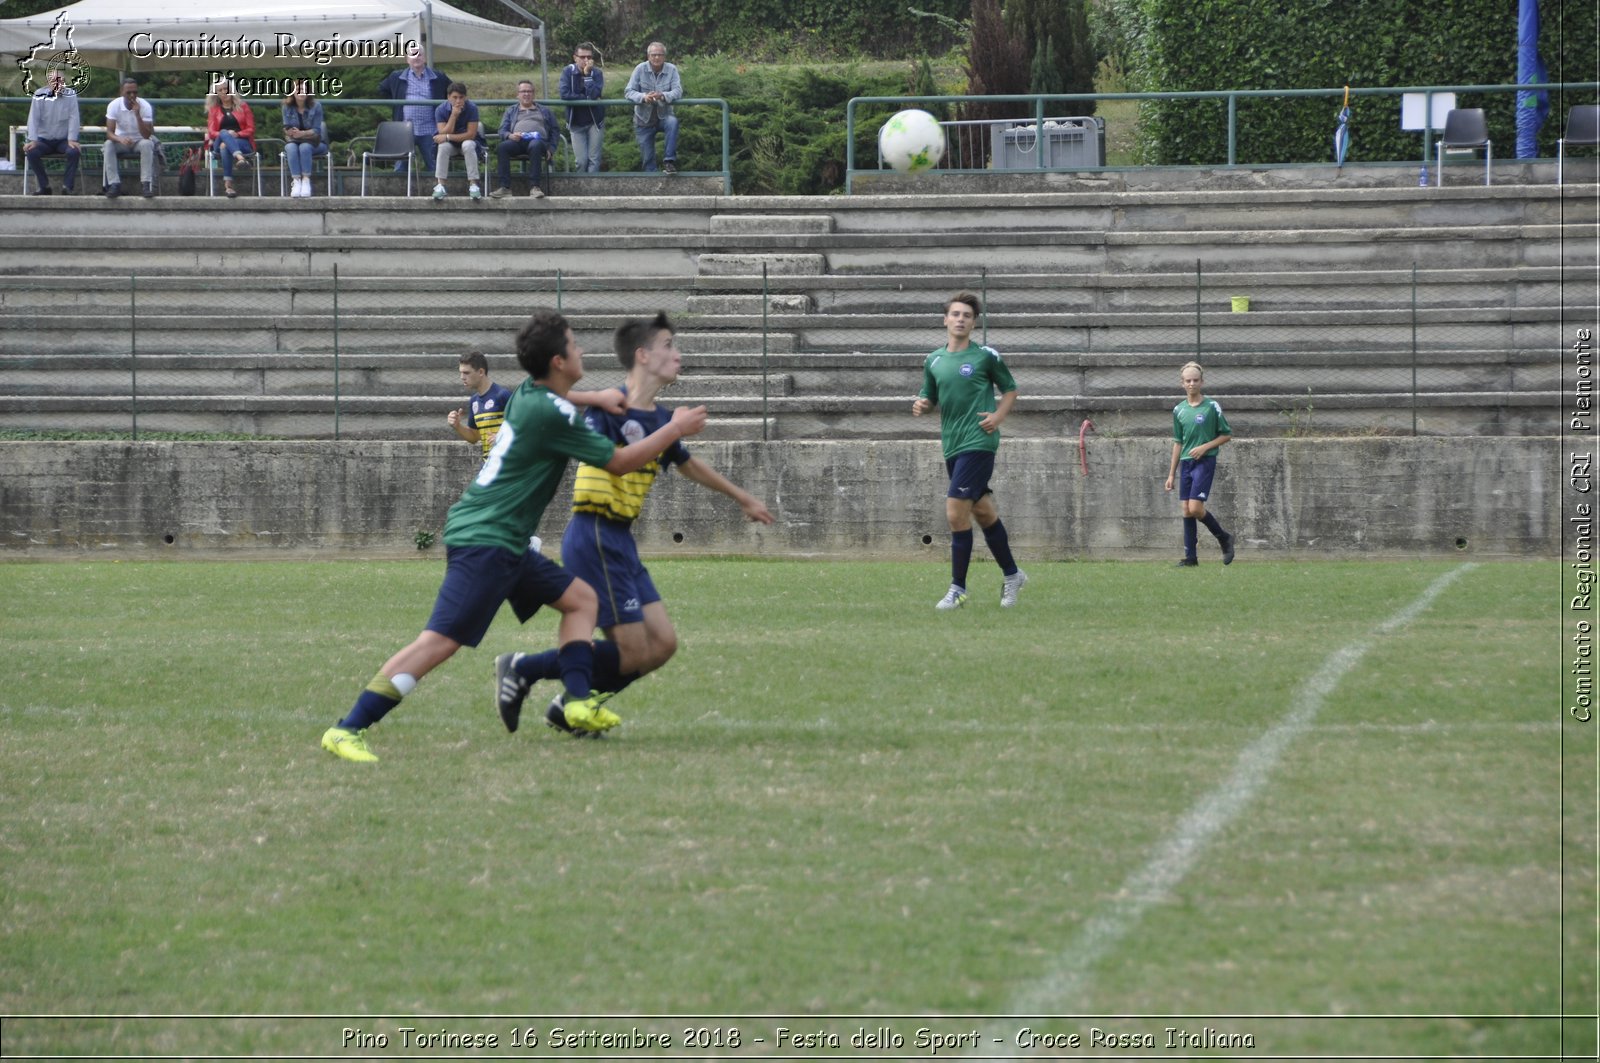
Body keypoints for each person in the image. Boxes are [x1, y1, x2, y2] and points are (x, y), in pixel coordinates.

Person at [321, 309, 707, 763]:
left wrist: (597, 397)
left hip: (506, 540)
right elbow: (621, 463)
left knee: (582, 600)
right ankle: (347, 728)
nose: (582, 349)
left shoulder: (528, 393)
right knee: (439, 642)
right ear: (560, 361)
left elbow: (561, 401)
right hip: (486, 539)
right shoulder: (555, 415)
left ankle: (578, 700)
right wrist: (674, 429)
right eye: (575, 344)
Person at [495, 312, 773, 738]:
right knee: (631, 650)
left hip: (620, 539)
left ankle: (565, 701)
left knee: (661, 646)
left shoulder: (660, 420)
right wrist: (672, 430)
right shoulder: (610, 407)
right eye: (668, 346)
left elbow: (686, 463)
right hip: (594, 535)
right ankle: (527, 669)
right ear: (642, 356)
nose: (677, 356)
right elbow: (615, 463)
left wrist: (742, 497)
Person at [911, 292, 1027, 610]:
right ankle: (1013, 575)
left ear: (974, 323)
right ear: (945, 320)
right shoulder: (933, 360)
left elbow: (1011, 389)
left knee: (954, 510)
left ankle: (958, 589)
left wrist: (998, 416)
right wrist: (922, 403)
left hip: (979, 441)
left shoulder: (985, 356)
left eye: (967, 315)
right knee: (983, 512)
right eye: (956, 314)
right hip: (952, 444)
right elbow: (929, 394)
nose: (961, 319)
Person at [1164, 361, 1237, 567]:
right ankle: (1190, 558)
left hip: (1205, 461)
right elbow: (1178, 442)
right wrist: (1171, 474)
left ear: (1202, 381)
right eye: (1188, 380)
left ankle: (1224, 537)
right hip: (1186, 464)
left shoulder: (1211, 406)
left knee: (1196, 508)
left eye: (1195, 380)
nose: (1192, 384)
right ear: (1182, 383)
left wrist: (1205, 447)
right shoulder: (1178, 410)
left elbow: (1226, 434)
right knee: (1186, 509)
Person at [377, 43, 451, 173]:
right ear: (407, 59)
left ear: (425, 58)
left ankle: (439, 191)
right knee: (400, 167)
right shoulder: (396, 76)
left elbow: (452, 92)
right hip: (404, 129)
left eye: (419, 54)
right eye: (412, 54)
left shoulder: (438, 77)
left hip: (431, 129)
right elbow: (382, 89)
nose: (416, 57)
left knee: (435, 166)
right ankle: (399, 192)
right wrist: (396, 101)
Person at [490, 80, 557, 199]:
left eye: (529, 91)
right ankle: (504, 187)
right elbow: (502, 130)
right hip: (517, 141)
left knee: (535, 145)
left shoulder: (544, 110)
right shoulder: (511, 110)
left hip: (538, 142)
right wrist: (510, 135)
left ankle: (535, 187)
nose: (526, 94)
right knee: (502, 147)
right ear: (518, 94)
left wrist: (551, 149)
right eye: (523, 91)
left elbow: (555, 131)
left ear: (534, 94)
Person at [624, 41, 682, 173]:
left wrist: (662, 95)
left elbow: (678, 91)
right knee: (648, 160)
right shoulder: (640, 69)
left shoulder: (672, 69)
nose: (657, 57)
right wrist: (643, 97)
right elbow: (628, 91)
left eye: (660, 55)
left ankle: (669, 161)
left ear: (664, 56)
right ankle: (653, 187)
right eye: (654, 54)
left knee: (672, 122)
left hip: (664, 115)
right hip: (643, 119)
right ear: (648, 56)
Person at [24, 68, 81, 196]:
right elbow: (33, 118)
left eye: (60, 81)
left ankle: (68, 187)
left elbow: (74, 117)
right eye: (54, 81)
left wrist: (72, 139)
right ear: (48, 82)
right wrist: (32, 140)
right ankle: (44, 187)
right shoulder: (39, 95)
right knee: (31, 152)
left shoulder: (71, 94)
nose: (58, 84)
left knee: (74, 151)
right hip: (43, 140)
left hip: (63, 140)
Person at [448, 351, 514, 459]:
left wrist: (503, 438)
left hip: (507, 465)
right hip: (489, 465)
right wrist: (457, 426)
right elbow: (474, 437)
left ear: (481, 372)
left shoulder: (502, 395)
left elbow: (524, 427)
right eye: (461, 372)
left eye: (466, 373)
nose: (462, 377)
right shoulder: (474, 401)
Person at [102, 79, 156, 199]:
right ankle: (114, 184)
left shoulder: (145, 106)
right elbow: (109, 133)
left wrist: (137, 115)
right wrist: (119, 139)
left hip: (139, 141)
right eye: (129, 93)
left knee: (147, 144)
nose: (132, 95)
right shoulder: (114, 105)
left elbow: (147, 135)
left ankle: (146, 184)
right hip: (122, 141)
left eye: (135, 92)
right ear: (122, 92)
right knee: (108, 145)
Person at [205, 80, 256, 199]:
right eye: (220, 90)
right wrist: (226, 134)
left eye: (226, 89)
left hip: (242, 141)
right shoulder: (214, 110)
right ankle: (240, 159)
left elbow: (251, 129)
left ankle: (228, 186)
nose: (224, 92)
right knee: (223, 133)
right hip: (218, 140)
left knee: (225, 146)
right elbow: (211, 132)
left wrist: (237, 134)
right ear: (216, 93)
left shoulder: (243, 106)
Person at [432, 82, 483, 200]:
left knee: (468, 144)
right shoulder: (440, 109)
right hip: (451, 146)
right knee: (443, 146)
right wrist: (453, 116)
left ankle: (473, 185)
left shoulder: (472, 108)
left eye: (461, 97)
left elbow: (471, 134)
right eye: (455, 97)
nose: (458, 101)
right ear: (448, 97)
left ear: (465, 97)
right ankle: (441, 185)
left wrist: (448, 137)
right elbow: (442, 133)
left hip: (467, 143)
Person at [559, 43, 605, 173]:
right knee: (581, 161)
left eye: (589, 57)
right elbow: (565, 94)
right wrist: (586, 98)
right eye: (582, 57)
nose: (586, 60)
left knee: (594, 159)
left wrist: (587, 76)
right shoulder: (567, 72)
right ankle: (582, 187)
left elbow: (595, 94)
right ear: (575, 58)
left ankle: (593, 190)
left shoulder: (596, 73)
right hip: (576, 123)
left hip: (595, 122)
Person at [281, 80, 327, 199]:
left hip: (314, 141)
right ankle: (296, 181)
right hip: (294, 140)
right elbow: (286, 126)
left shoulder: (316, 106)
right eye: (298, 89)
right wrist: (289, 131)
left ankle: (306, 180)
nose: (301, 92)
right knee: (290, 147)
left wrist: (302, 134)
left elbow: (317, 130)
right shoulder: (286, 106)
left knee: (304, 147)